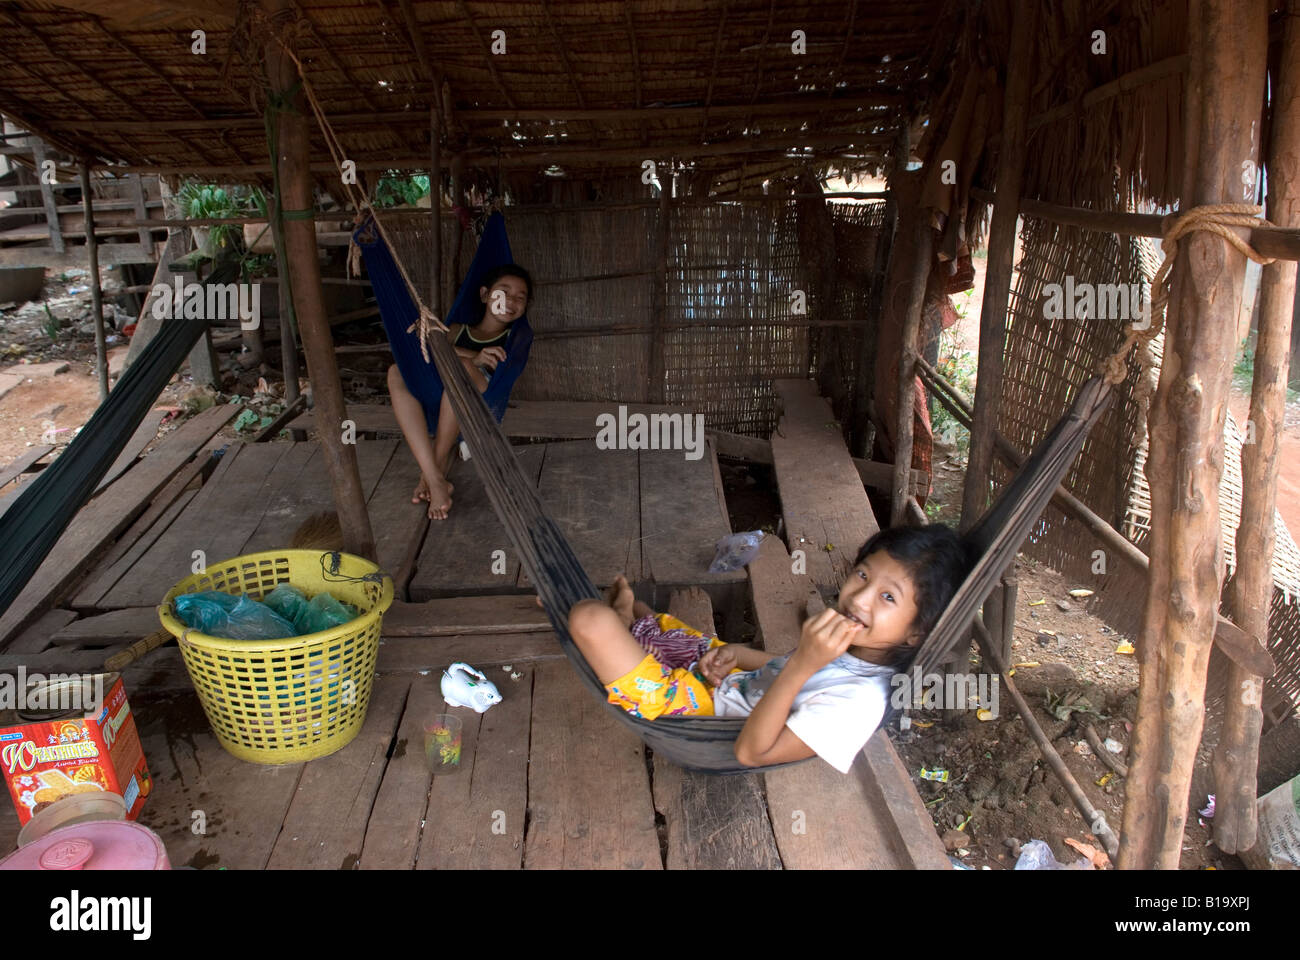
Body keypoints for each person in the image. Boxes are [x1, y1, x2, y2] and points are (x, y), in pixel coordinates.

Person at [567, 524, 970, 772]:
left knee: (589, 620)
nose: (860, 598)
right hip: (726, 682)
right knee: (673, 633)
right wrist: (738, 654)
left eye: (888, 598)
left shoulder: (859, 704)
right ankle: (631, 619)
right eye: (862, 574)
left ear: (917, 633)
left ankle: (618, 621)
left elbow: (752, 754)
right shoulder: (857, 648)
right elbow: (779, 670)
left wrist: (802, 665)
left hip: (703, 716)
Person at [387, 264, 533, 520]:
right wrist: (474, 356)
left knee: (463, 368)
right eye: (504, 292)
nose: (511, 301)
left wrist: (468, 361)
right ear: (485, 294)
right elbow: (428, 351)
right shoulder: (455, 330)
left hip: (480, 401)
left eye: (520, 298)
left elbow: (498, 375)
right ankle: (434, 477)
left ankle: (435, 469)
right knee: (397, 371)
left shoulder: (516, 337)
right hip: (442, 397)